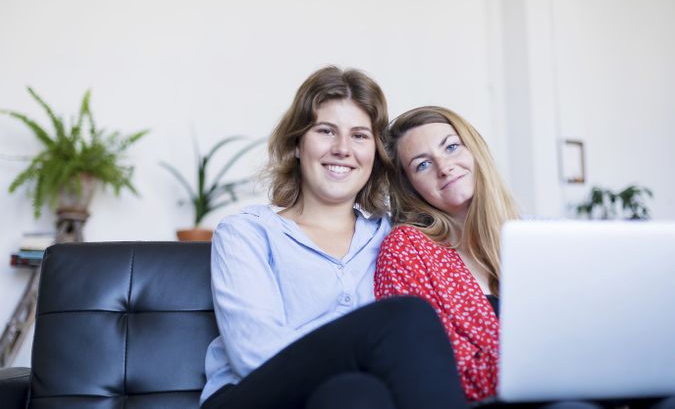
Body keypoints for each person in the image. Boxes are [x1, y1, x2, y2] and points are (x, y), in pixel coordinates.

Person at [375, 105, 675, 409]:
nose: (444, 167)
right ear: (410, 186)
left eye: (452, 147)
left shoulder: (529, 236)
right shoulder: (406, 249)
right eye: (422, 165)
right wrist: (561, 360)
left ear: (475, 150)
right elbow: (430, 368)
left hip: (583, 380)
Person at [201, 70, 467, 409]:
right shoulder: (247, 232)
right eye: (326, 131)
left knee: (357, 395)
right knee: (406, 317)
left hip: (342, 396)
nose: (342, 149)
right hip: (250, 397)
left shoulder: (396, 237)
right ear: (297, 143)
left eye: (359, 136)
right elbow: (255, 356)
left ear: (375, 153)